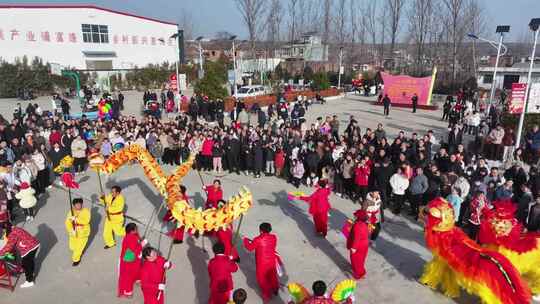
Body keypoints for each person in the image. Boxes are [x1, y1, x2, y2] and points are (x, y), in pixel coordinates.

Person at [243, 222, 281, 302]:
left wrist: (245, 240)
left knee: (262, 279)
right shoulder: (274, 237)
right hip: (271, 260)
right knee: (272, 275)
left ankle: (267, 293)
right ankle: (275, 289)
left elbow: (250, 248)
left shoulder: (258, 239)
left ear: (261, 230)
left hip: (261, 263)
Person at [0, 222, 39, 288]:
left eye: (3, 231)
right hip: (33, 244)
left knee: (26, 263)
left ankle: (29, 281)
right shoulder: (14, 229)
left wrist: (1, 253)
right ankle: (31, 273)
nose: (3, 232)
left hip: (28, 247)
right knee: (29, 262)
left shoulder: (12, 234)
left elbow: (9, 246)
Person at [118, 223, 147, 298]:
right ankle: (127, 292)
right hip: (129, 260)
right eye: (136, 229)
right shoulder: (129, 239)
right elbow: (133, 251)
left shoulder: (134, 235)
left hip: (136, 259)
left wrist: (141, 241)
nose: (137, 230)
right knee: (128, 276)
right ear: (132, 231)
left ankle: (137, 279)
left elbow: (137, 243)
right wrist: (142, 245)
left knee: (138, 269)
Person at [65, 198, 91, 266]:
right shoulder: (71, 212)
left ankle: (76, 259)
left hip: (83, 232)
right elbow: (67, 222)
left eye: (80, 204)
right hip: (74, 232)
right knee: (72, 247)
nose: (78, 206)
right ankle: (79, 251)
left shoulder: (86, 211)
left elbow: (86, 221)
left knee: (78, 248)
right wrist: (71, 230)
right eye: (76, 205)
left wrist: (76, 219)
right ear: (74, 205)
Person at [347, 210, 369, 280]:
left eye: (356, 216)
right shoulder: (364, 224)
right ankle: (359, 271)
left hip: (358, 246)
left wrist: (354, 248)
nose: (354, 216)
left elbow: (357, 238)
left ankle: (360, 274)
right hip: (364, 245)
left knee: (356, 260)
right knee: (361, 259)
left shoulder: (358, 226)